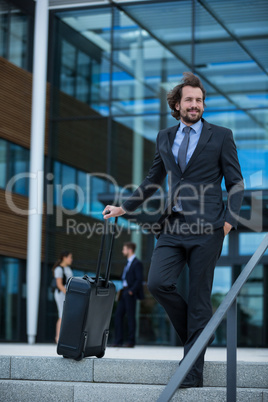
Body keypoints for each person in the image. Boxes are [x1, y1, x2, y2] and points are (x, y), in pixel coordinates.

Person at [102, 72, 244, 388]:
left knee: (199, 298)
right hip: (173, 225)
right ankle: (200, 335)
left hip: (209, 229)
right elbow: (153, 179)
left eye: (199, 100)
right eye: (189, 100)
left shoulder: (221, 135)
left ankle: (192, 372)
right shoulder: (165, 137)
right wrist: (124, 207)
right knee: (158, 283)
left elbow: (235, 181)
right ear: (177, 105)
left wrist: (229, 221)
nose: (195, 105)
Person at [113, 242, 144, 348]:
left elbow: (139, 279)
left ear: (130, 250)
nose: (123, 251)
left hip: (130, 293)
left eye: (124, 249)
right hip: (124, 292)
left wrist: (131, 291)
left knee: (130, 317)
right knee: (118, 315)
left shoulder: (137, 263)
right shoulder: (128, 263)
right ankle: (118, 341)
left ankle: (131, 341)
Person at [52, 250, 73, 343]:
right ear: (64, 257)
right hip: (61, 294)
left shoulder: (68, 269)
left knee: (66, 315)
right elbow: (59, 284)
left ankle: (63, 337)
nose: (71, 259)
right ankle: (58, 337)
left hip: (67, 293)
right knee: (62, 314)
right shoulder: (59, 269)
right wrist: (68, 294)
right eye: (70, 257)